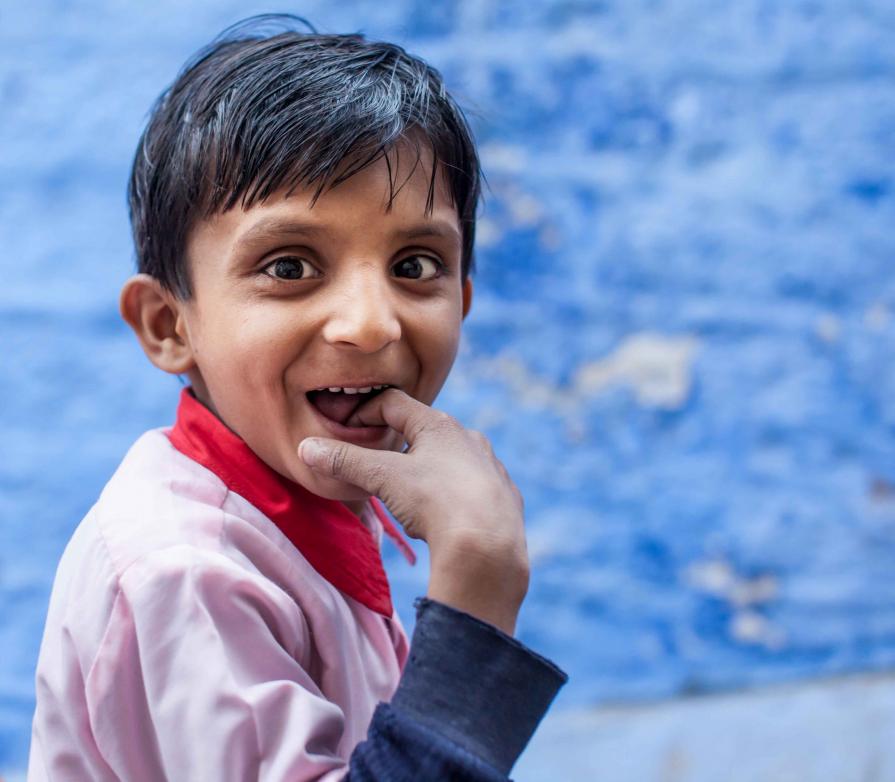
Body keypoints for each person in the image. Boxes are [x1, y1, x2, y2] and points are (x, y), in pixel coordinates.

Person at [28, 15, 567, 781]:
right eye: (288, 267)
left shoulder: (297, 501)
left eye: (415, 265)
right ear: (168, 324)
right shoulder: (186, 571)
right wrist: (477, 603)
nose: (371, 323)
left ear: (465, 298)